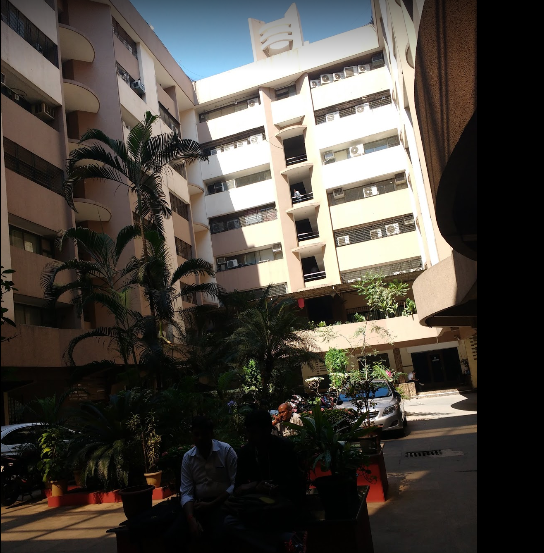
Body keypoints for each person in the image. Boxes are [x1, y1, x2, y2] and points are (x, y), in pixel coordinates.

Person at [224, 410, 308, 553]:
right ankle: (285, 540)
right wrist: (256, 487)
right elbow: (238, 487)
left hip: (281, 506)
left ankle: (277, 541)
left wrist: (274, 489)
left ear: (268, 430)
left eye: (254, 432)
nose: (250, 437)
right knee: (228, 522)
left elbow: (296, 485)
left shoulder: (284, 448)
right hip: (257, 508)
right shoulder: (246, 452)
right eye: (248, 432)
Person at [178, 416, 237, 549]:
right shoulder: (188, 458)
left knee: (220, 537)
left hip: (223, 503)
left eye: (204, 434)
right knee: (173, 535)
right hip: (198, 505)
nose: (200, 438)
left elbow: (235, 484)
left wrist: (212, 504)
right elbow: (186, 492)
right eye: (196, 434)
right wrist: (191, 519)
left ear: (211, 434)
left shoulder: (226, 451)